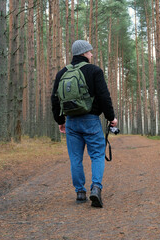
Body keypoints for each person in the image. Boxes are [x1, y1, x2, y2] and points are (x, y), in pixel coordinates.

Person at [51, 40, 118, 208]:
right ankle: (96, 188)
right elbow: (104, 96)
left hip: (71, 122)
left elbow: (54, 99)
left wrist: (60, 121)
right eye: (90, 52)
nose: (92, 54)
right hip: (91, 120)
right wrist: (111, 117)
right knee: (96, 155)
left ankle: (80, 192)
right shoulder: (94, 71)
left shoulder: (62, 73)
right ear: (83, 53)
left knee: (75, 158)